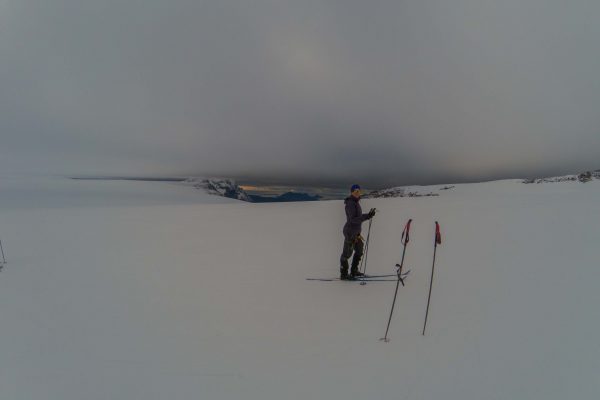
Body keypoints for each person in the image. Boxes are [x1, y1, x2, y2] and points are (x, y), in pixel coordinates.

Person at [340, 184, 376, 280]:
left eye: (359, 191)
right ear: (351, 192)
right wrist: (366, 216)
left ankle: (354, 271)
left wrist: (368, 215)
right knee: (346, 254)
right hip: (350, 232)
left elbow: (358, 218)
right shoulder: (350, 203)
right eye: (355, 191)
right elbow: (353, 220)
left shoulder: (356, 202)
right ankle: (343, 274)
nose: (357, 193)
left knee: (359, 250)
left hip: (356, 233)